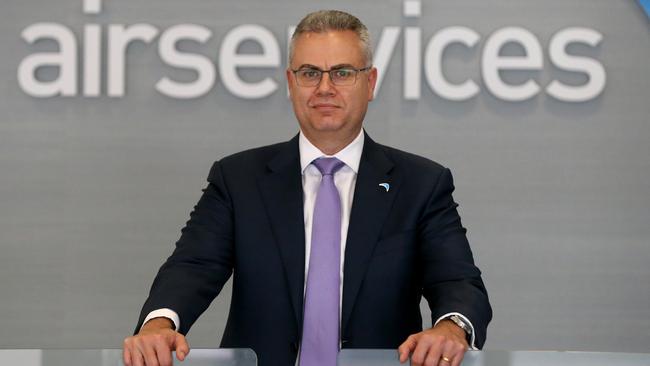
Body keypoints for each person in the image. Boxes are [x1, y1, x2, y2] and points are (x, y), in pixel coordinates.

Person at [123, 9, 492, 366]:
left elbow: (457, 280)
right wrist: (160, 323)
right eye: (310, 73)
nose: (325, 88)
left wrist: (451, 327)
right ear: (290, 82)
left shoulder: (421, 183)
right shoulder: (237, 179)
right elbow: (192, 266)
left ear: (371, 82)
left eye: (343, 72)